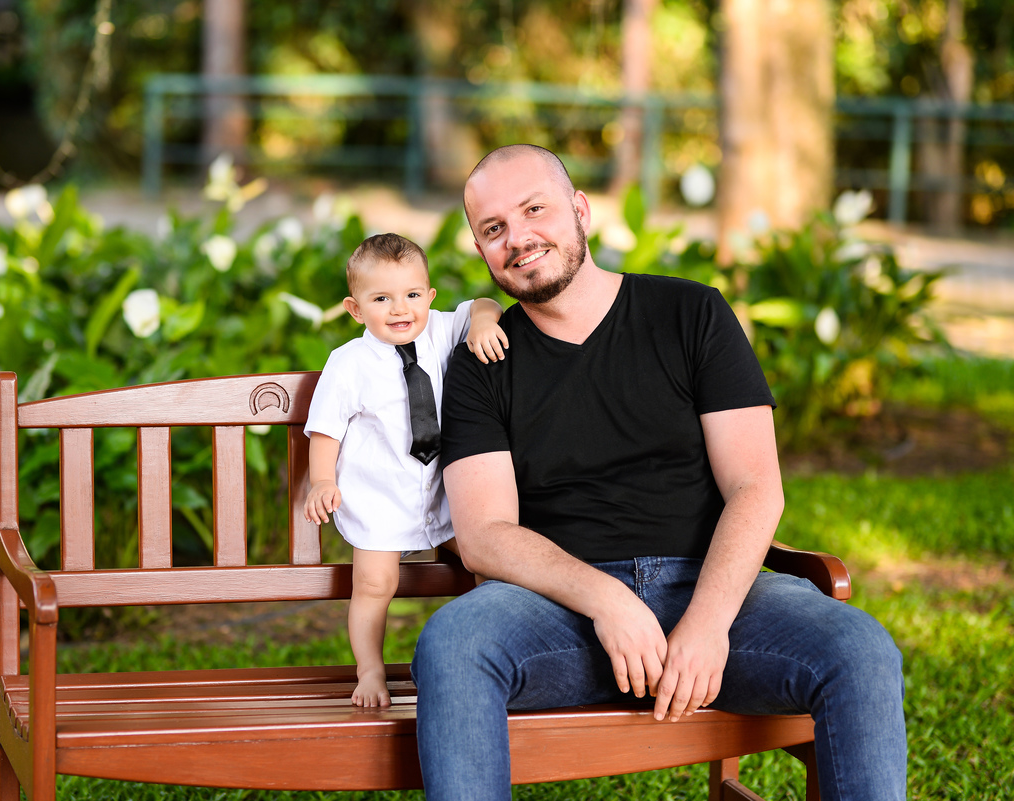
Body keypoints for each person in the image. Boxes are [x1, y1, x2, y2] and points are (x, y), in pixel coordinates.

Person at [410, 145, 907, 800]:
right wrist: (607, 598)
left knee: (861, 650)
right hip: (561, 614)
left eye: (535, 209)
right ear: (480, 250)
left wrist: (706, 624)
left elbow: (756, 487)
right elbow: (485, 534)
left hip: (719, 595)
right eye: (494, 228)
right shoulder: (483, 363)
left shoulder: (692, 314)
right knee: (454, 641)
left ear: (580, 210)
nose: (519, 238)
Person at [304, 232, 508, 708]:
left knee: (489, 558)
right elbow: (325, 430)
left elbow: (484, 301)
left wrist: (481, 322)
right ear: (355, 309)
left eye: (412, 295)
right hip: (381, 500)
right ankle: (370, 670)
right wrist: (322, 480)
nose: (401, 309)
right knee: (376, 583)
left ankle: (491, 654)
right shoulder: (348, 363)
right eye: (382, 299)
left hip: (443, 496)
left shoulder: (439, 329)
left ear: (429, 296)